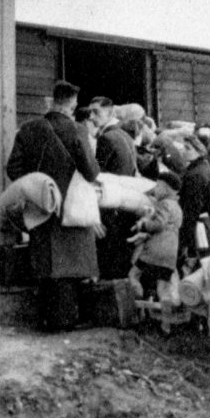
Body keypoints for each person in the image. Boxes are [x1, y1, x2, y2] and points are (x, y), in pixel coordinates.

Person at [6, 81, 100, 331]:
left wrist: (37, 187)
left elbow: (13, 168)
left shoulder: (28, 129)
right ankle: (65, 321)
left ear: (52, 101)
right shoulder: (77, 130)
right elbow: (91, 172)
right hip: (70, 205)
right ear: (72, 105)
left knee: (45, 263)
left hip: (40, 206)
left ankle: (46, 319)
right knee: (69, 266)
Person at [88, 96, 139, 280]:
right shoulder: (125, 136)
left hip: (111, 210)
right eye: (90, 112)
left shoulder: (106, 139)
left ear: (110, 113)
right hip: (126, 209)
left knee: (109, 265)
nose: (91, 117)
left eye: (96, 112)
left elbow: (96, 176)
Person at [127, 171, 183, 332]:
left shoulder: (164, 204)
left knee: (133, 275)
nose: (155, 190)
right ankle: (166, 326)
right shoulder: (177, 207)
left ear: (166, 188)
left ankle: (138, 310)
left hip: (154, 251)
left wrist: (143, 225)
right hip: (170, 253)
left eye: (158, 186)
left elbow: (159, 224)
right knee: (163, 289)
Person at [177, 134, 210, 272]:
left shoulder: (195, 174)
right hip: (202, 224)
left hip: (195, 228)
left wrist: (184, 239)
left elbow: (191, 209)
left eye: (187, 148)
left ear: (199, 150)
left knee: (193, 264)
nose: (183, 150)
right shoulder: (205, 168)